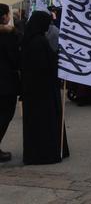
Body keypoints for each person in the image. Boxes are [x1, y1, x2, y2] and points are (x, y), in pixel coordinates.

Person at [21, 11, 69, 164]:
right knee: (45, 123)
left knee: (35, 124)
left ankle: (36, 152)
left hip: (32, 90)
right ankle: (45, 153)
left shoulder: (28, 40)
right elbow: (45, 66)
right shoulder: (39, 42)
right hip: (44, 90)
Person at [0, 3, 20, 162]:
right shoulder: (8, 35)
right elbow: (15, 58)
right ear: (5, 16)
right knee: (5, 114)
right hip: (5, 82)